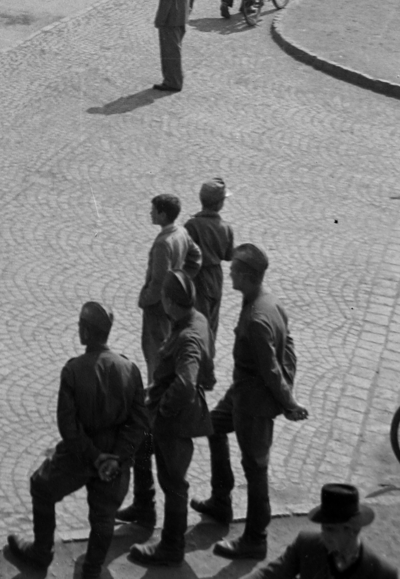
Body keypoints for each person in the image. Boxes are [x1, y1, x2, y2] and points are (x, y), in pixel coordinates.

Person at [4, 302, 149, 579]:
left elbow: (68, 427)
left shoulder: (73, 370)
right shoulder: (130, 368)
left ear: (85, 331)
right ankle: (92, 569)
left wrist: (95, 457)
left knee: (41, 486)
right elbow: (140, 421)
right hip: (115, 455)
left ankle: (41, 552)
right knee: (105, 514)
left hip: (81, 453)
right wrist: (116, 457)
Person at [194, 244, 308, 561]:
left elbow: (271, 368)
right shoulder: (268, 303)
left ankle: (255, 539)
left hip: (253, 405)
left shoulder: (258, 317)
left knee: (255, 469)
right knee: (212, 425)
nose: (228, 273)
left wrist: (288, 401)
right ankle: (221, 499)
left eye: (233, 271)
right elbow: (289, 350)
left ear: (246, 275)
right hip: (241, 394)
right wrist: (287, 386)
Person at [126, 271, 213, 567]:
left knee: (173, 481)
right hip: (164, 409)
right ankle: (143, 505)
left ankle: (171, 545)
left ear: (170, 302)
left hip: (173, 419)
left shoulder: (187, 335)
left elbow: (186, 382)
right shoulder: (197, 319)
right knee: (142, 446)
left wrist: (162, 410)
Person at [121, 194, 197, 528]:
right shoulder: (182, 234)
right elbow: (195, 258)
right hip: (170, 305)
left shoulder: (165, 243)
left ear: (162, 213)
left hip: (157, 310)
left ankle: (155, 394)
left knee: (156, 354)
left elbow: (158, 281)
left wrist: (146, 299)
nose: (149, 212)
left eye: (153, 209)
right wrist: (186, 282)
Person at [248, 483, 397, 578]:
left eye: (331, 529)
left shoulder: (381, 573)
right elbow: (271, 575)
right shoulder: (307, 544)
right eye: (323, 528)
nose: (324, 535)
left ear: (353, 530)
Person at [184, 179, 236, 340]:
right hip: (215, 276)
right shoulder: (226, 227)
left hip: (196, 276)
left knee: (196, 318)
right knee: (212, 318)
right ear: (219, 204)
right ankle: (208, 354)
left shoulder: (192, 225)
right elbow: (228, 255)